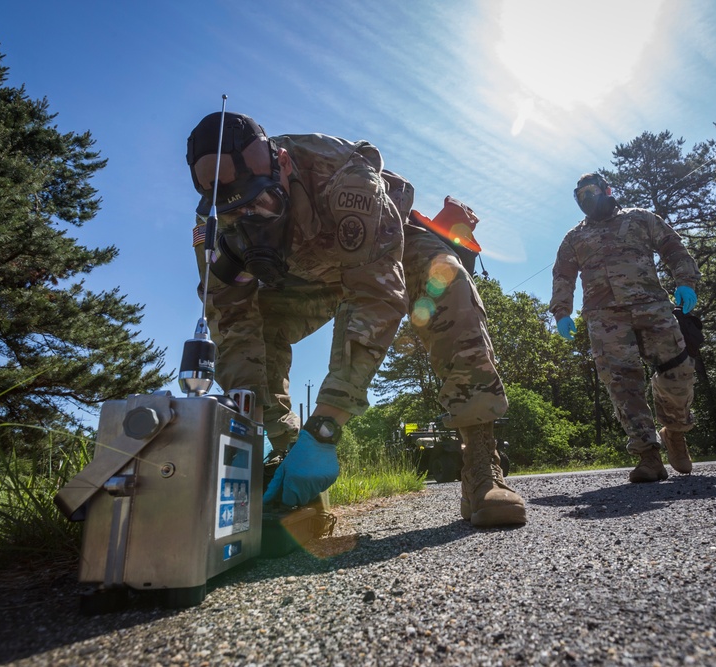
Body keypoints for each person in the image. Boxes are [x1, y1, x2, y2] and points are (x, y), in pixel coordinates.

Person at [186, 111, 524, 527]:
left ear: (284, 165)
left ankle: (480, 465)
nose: (253, 219)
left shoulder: (344, 178)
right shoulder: (212, 226)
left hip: (380, 251)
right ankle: (288, 463)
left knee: (447, 278)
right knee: (253, 326)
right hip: (305, 279)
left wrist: (326, 426)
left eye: (264, 202)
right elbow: (232, 327)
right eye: (238, 214)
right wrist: (268, 431)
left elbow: (376, 297)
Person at [549, 173, 700, 483]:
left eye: (591, 192)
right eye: (580, 197)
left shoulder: (640, 218)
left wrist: (685, 280)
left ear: (608, 190)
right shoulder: (574, 238)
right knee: (622, 384)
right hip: (605, 319)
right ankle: (648, 456)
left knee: (678, 372)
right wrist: (562, 311)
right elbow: (563, 276)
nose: (587, 200)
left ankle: (674, 431)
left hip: (653, 307)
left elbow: (671, 246)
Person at [393, 189, 526, 527]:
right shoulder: (418, 241)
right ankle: (270, 465)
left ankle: (482, 470)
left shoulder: (434, 260)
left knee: (453, 286)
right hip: (333, 240)